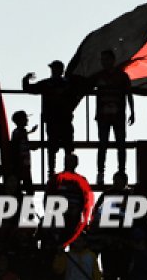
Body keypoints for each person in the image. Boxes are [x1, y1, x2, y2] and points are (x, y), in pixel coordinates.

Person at [23, 60, 81, 178]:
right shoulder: (54, 84)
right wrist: (25, 79)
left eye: (55, 69)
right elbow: (29, 88)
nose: (53, 71)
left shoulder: (64, 84)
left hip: (62, 120)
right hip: (55, 120)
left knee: (65, 147)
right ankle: (52, 172)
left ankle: (63, 171)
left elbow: (78, 93)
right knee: (54, 147)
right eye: (53, 69)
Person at [90, 50, 135, 185]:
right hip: (103, 116)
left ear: (112, 60)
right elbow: (86, 85)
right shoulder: (98, 76)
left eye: (106, 59)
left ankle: (121, 172)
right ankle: (100, 173)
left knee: (120, 145)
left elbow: (129, 93)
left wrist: (133, 111)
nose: (104, 62)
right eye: (103, 60)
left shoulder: (122, 76)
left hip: (118, 115)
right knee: (103, 144)